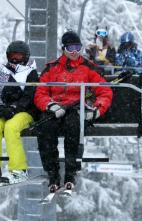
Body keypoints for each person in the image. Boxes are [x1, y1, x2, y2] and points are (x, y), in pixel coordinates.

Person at [34, 31, 113, 193]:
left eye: (78, 47)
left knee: (74, 126)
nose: (75, 52)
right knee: (45, 128)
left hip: (76, 108)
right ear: (64, 48)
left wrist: (97, 110)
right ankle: (52, 173)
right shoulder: (52, 68)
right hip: (56, 108)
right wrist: (50, 106)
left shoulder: (88, 68)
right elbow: (40, 92)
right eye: (71, 48)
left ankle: (70, 172)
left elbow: (104, 91)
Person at [0, 41, 39, 184]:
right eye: (13, 56)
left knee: (11, 127)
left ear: (25, 57)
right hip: (6, 111)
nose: (15, 59)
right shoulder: (4, 72)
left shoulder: (31, 73)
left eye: (19, 56)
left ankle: (19, 170)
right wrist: (0, 107)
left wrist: (15, 108)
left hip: (25, 112)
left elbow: (29, 96)